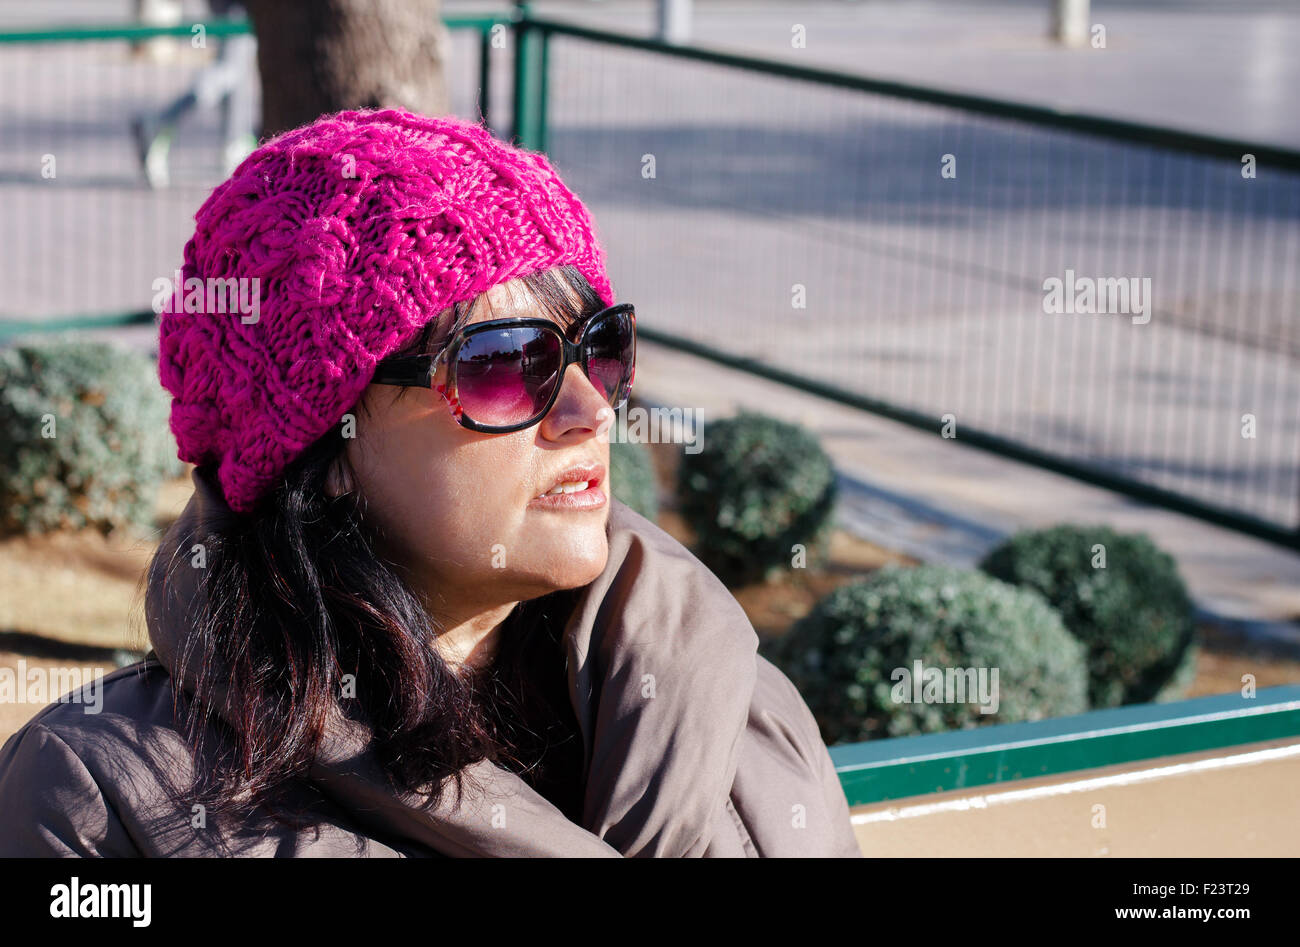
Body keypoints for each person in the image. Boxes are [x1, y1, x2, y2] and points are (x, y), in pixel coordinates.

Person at [0, 109, 861, 857]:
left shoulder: (739, 703)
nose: (590, 408)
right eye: (503, 365)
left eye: (600, 345)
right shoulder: (103, 805)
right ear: (326, 452)